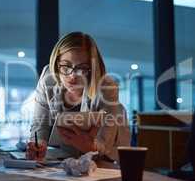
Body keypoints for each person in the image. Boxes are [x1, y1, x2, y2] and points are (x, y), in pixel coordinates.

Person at [26, 32, 130, 161]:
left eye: (82, 68)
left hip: (107, 157)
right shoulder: (48, 78)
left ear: (93, 68)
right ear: (56, 63)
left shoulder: (107, 87)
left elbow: (105, 143)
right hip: (65, 156)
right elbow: (40, 124)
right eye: (66, 66)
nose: (72, 76)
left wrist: (90, 146)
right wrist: (39, 144)